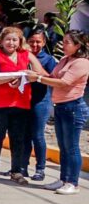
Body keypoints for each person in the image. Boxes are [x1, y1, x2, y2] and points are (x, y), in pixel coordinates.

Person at [26, 30, 89, 195]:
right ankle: (63, 178)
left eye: (68, 42)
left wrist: (38, 79)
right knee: (63, 146)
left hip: (73, 108)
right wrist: (34, 69)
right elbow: (50, 75)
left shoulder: (82, 62)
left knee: (72, 147)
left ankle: (73, 182)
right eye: (64, 41)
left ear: (78, 45)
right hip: (61, 107)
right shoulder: (64, 60)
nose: (64, 44)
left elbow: (63, 82)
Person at [0, 27, 47, 185]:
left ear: (20, 42)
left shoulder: (26, 55)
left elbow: (40, 74)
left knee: (18, 139)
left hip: (21, 103)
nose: (11, 43)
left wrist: (25, 77)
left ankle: (16, 170)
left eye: (14, 40)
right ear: (1, 41)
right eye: (8, 39)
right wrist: (12, 76)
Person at [24, 28, 57, 181]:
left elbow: (51, 77)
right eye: (32, 41)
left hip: (40, 101)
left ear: (44, 42)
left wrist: (36, 74)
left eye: (38, 42)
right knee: (23, 135)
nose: (35, 45)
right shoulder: (21, 56)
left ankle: (40, 168)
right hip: (22, 100)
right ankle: (21, 166)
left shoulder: (48, 59)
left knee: (37, 136)